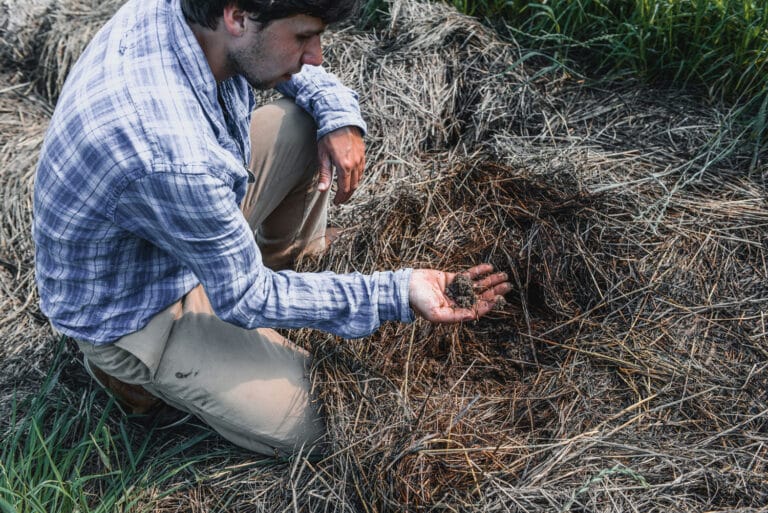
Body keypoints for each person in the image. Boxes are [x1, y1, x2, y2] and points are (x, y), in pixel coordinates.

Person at [32, 0, 511, 456]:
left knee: (307, 120)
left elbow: (295, 76)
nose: (316, 56)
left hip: (183, 218)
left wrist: (336, 114)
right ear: (237, 16)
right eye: (303, 36)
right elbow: (246, 297)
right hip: (142, 307)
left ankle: (293, 262)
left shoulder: (195, 20)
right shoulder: (169, 153)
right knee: (324, 423)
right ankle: (128, 375)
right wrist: (398, 290)